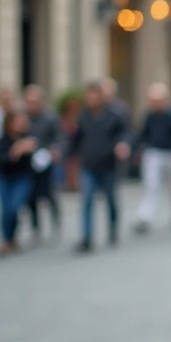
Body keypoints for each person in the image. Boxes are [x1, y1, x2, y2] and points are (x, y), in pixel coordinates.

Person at [69, 81, 131, 253]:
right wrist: (65, 153)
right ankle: (87, 237)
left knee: (110, 199)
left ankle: (112, 228)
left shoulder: (114, 115)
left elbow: (125, 133)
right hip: (88, 165)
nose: (92, 100)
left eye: (95, 97)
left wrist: (123, 145)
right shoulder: (83, 117)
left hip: (108, 165)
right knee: (87, 199)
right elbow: (75, 140)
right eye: (89, 97)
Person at [133, 82, 171, 234]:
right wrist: (137, 150)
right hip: (154, 153)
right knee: (151, 186)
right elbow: (142, 135)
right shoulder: (148, 116)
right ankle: (145, 217)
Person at [0, 111, 38, 255]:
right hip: (4, 178)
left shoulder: (27, 138)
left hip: (21, 178)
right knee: (6, 209)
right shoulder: (2, 141)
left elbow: (34, 162)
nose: (21, 124)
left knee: (14, 207)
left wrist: (31, 150)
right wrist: (15, 152)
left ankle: (12, 237)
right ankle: (6, 239)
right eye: (17, 121)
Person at [23, 85, 62, 242]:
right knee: (31, 198)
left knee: (49, 195)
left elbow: (59, 138)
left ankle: (55, 225)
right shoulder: (23, 118)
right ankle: (36, 230)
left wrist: (55, 149)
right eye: (29, 101)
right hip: (28, 164)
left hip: (46, 162)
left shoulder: (50, 118)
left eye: (35, 101)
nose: (32, 105)